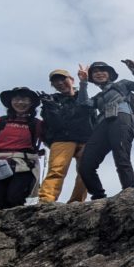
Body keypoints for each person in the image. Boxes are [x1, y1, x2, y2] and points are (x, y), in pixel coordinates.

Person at [77, 59, 134, 200]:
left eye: (102, 70)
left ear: (110, 73)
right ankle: (98, 196)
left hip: (122, 118)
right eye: (95, 72)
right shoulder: (98, 97)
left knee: (121, 156)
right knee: (85, 164)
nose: (99, 73)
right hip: (102, 123)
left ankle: (129, 193)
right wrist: (83, 82)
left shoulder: (122, 84)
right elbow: (83, 104)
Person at [38, 69, 94, 203]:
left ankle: (77, 201)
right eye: (55, 81)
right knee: (56, 170)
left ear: (72, 80)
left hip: (86, 139)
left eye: (63, 79)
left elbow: (93, 118)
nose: (59, 83)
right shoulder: (50, 100)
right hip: (62, 139)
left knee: (86, 171)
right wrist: (49, 106)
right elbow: (51, 123)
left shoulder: (84, 96)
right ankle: (46, 200)